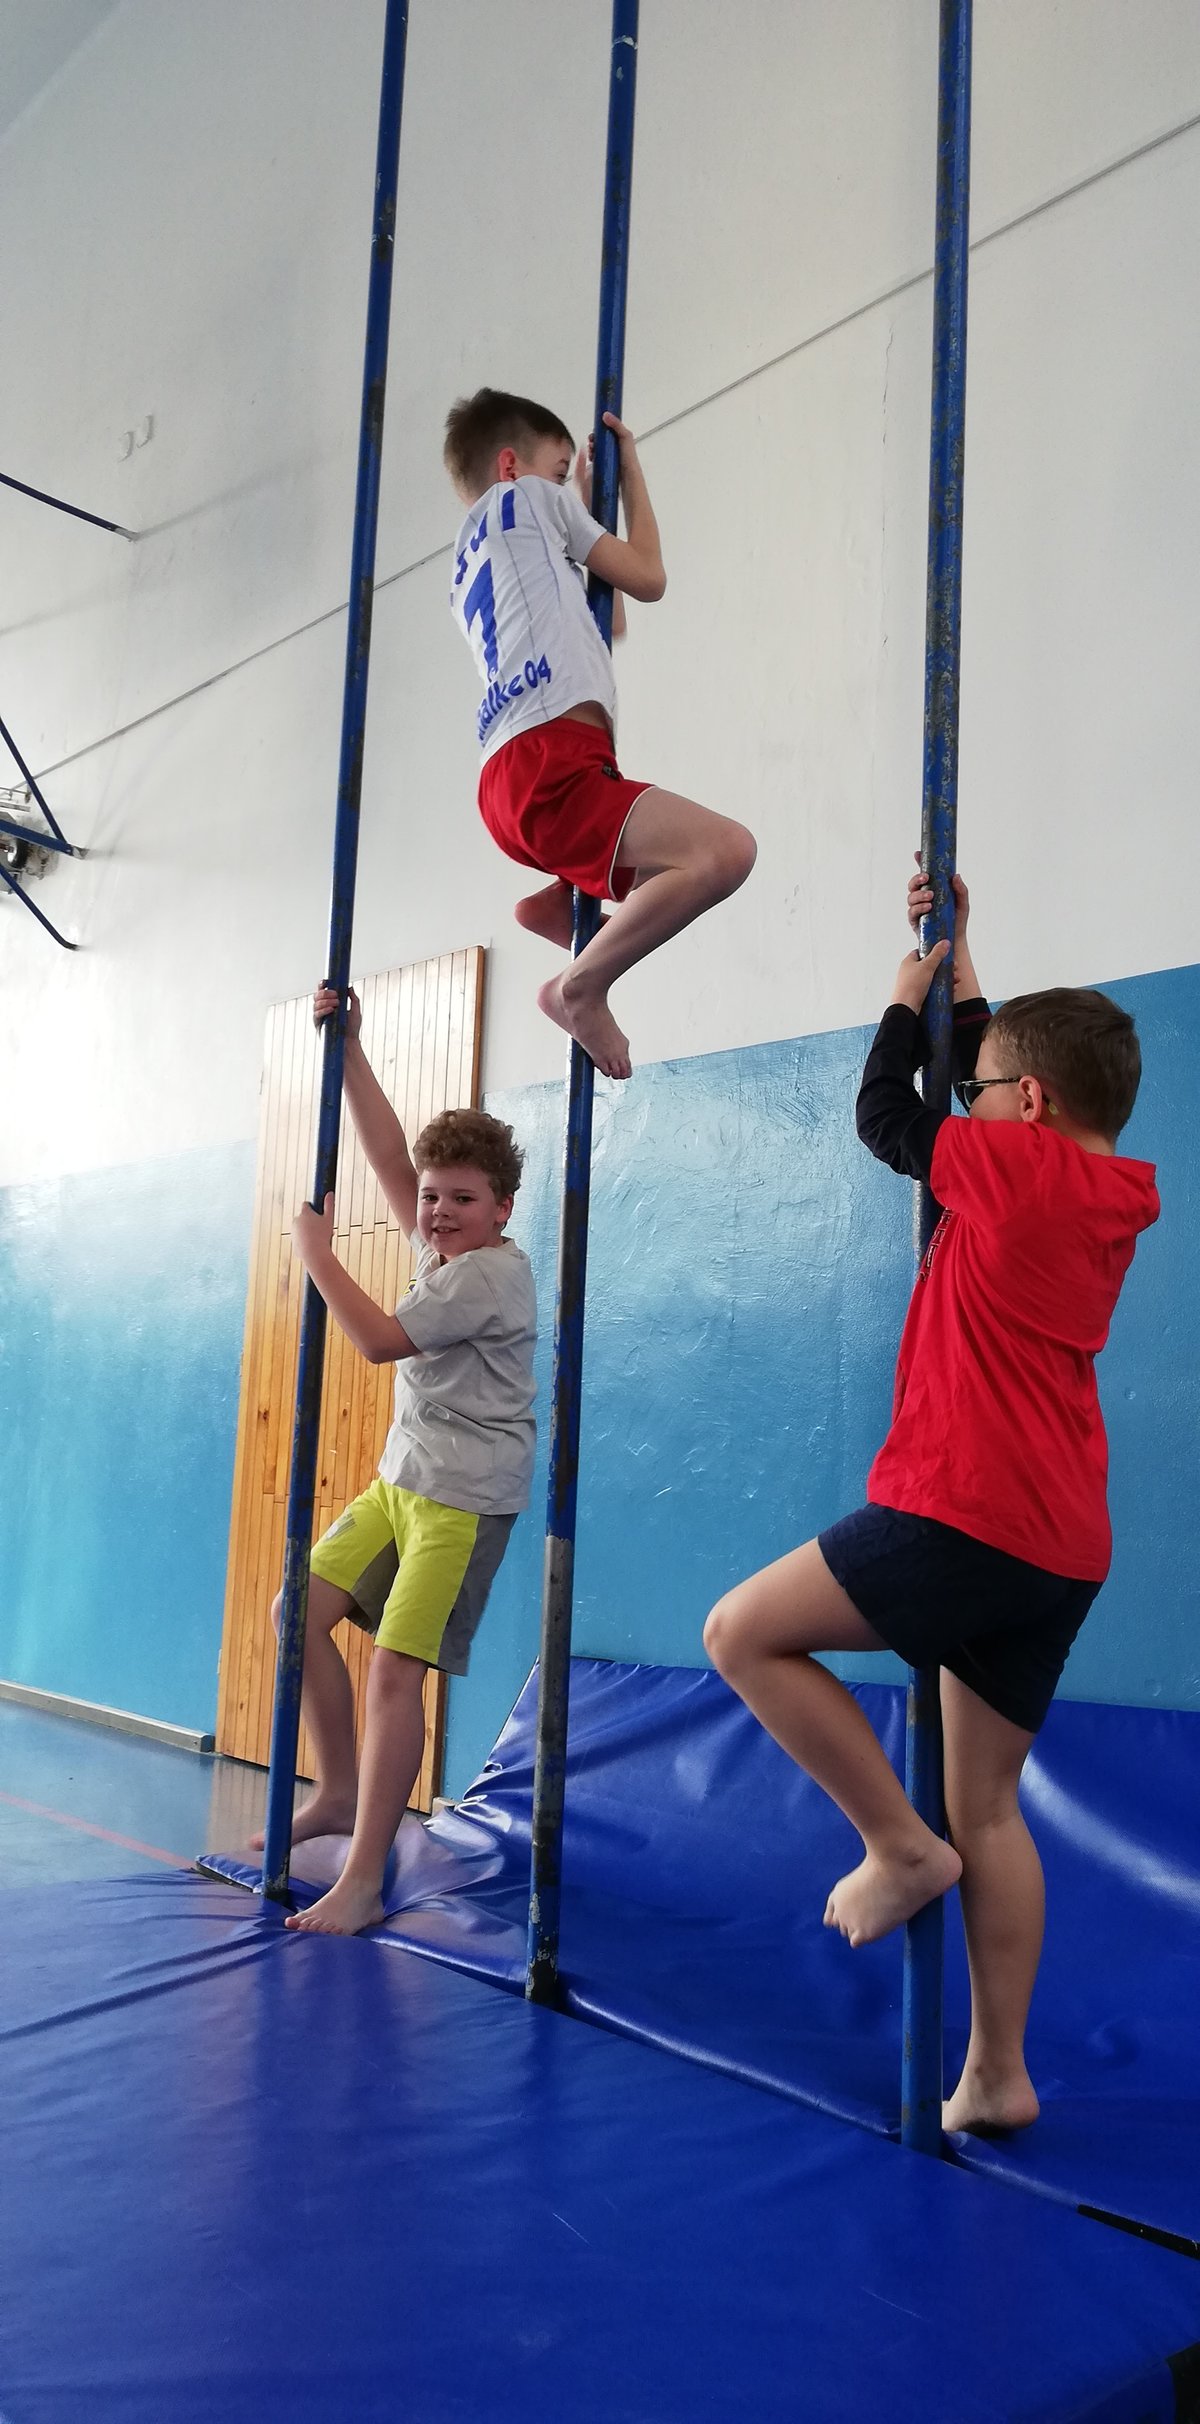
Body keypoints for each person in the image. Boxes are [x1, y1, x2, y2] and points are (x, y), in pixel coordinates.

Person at [704, 868, 1159, 2135]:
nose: (979, 1097)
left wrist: (905, 1004)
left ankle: (897, 1846)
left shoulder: (1012, 1171)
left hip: (967, 1503)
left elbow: (887, 1116)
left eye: (992, 1087)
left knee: (742, 1634)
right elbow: (984, 1086)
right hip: (1062, 1539)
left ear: (1032, 1105)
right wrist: (960, 958)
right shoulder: (1098, 1188)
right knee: (993, 1805)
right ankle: (998, 2072)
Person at [252, 982, 537, 1938]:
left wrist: (316, 1254)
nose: (439, 1212)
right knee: (298, 1613)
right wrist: (352, 1050)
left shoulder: (489, 1275)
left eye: (463, 1199)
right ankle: (337, 1793)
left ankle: (365, 1877)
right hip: (402, 1480)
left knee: (393, 1674)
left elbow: (377, 1341)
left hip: (462, 1499)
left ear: (502, 1208)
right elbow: (387, 1154)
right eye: (433, 1198)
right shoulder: (444, 1247)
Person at [443, 386, 756, 1081]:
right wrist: (626, 477)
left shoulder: (469, 564)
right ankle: (578, 987)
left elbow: (605, 621)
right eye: (560, 470)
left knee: (668, 874)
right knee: (725, 852)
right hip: (552, 760)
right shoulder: (531, 498)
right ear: (510, 466)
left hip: (508, 778)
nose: (564, 484)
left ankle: (561, 900)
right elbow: (647, 578)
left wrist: (584, 512)